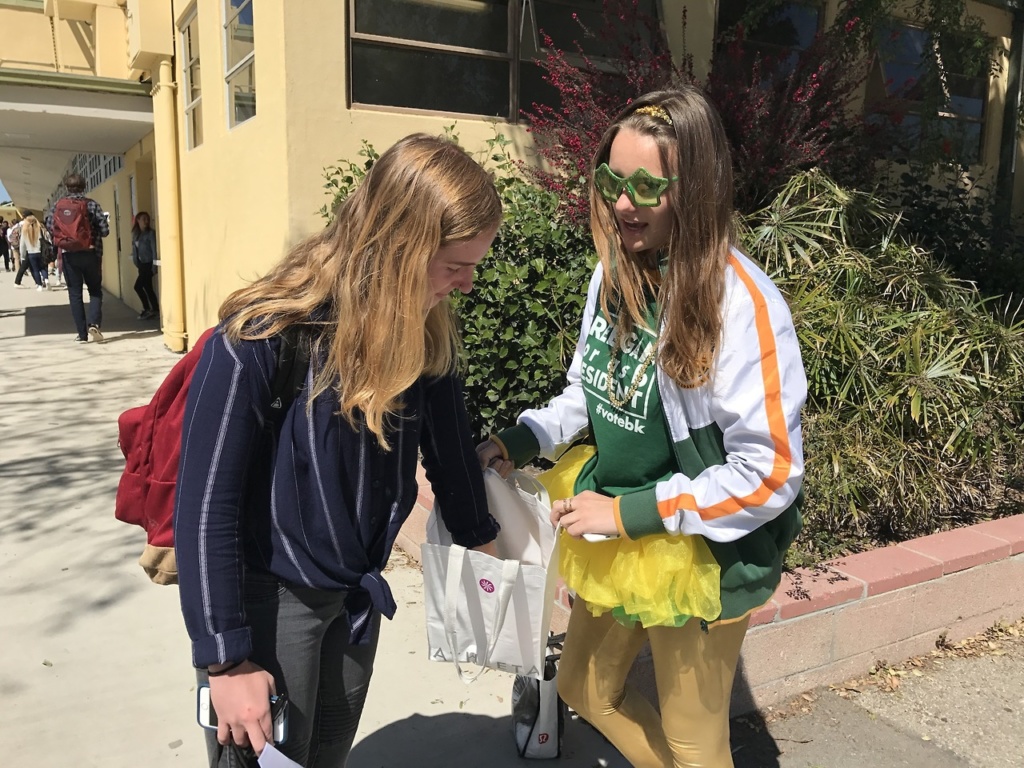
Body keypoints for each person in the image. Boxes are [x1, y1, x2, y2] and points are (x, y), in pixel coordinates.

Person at [477, 88, 807, 768]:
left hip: (698, 549)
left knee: (694, 740)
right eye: (612, 181)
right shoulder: (613, 275)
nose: (624, 204)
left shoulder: (743, 304)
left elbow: (770, 473)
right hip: (618, 527)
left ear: (698, 188)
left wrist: (631, 513)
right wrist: (520, 441)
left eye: (648, 186)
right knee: (581, 685)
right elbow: (588, 391)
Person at [175, 133, 503, 767]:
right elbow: (205, 509)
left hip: (354, 602)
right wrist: (226, 659)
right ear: (400, 248)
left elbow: (450, 448)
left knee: (326, 755)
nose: (466, 284)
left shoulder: (423, 334)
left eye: (475, 265)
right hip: (270, 605)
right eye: (454, 264)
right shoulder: (263, 337)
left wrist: (480, 541)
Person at [45, 174, 109, 343]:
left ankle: (81, 334)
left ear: (67, 187)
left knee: (75, 294)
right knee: (95, 290)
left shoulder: (58, 206)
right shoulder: (92, 205)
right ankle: (94, 323)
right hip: (91, 253)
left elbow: (51, 228)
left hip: (68, 256)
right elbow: (105, 231)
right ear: (84, 186)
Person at [131, 211, 159, 319]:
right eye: (143, 219)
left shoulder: (150, 233)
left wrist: (154, 265)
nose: (146, 222)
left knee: (138, 287)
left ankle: (147, 308)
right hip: (141, 264)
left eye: (147, 219)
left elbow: (153, 249)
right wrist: (136, 262)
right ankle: (154, 309)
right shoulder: (136, 234)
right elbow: (135, 250)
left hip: (148, 264)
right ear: (138, 220)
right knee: (148, 288)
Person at [18, 215, 49, 291]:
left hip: (31, 253)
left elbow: (22, 245)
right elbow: (47, 239)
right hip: (41, 252)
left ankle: (39, 285)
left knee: (35, 270)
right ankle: (46, 279)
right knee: (43, 268)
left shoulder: (24, 231)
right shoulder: (40, 229)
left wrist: (22, 256)